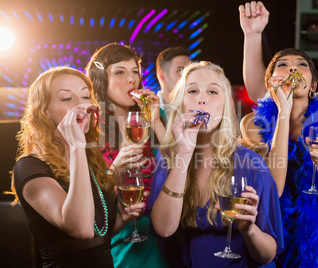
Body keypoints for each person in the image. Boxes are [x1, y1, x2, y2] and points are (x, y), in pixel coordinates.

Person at [146, 61, 284, 268]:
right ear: (181, 103)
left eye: (212, 92)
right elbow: (163, 229)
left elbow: (267, 255)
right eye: (192, 91)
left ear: (225, 104)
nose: (202, 99)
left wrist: (249, 230)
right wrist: (183, 153)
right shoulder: (169, 156)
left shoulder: (251, 164)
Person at [239, 2, 318, 267]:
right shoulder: (254, 125)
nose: (293, 69)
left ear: (314, 85)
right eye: (283, 65)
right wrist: (252, 35)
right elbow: (271, 192)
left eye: (302, 65)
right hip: (264, 238)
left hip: (308, 247)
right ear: (271, 82)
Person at [9, 66, 141, 267]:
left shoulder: (89, 162)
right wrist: (77, 145)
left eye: (86, 97)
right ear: (45, 111)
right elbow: (81, 229)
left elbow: (95, 236)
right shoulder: (29, 167)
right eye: (66, 98)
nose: (82, 106)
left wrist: (120, 219)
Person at [85, 43, 168, 268]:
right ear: (101, 79)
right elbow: (88, 205)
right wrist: (114, 172)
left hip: (162, 232)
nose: (132, 80)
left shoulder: (152, 117)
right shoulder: (88, 131)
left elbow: (180, 162)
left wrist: (156, 121)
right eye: (120, 72)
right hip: (114, 237)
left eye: (135, 72)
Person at [156, 46, 191, 118]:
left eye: (190, 71)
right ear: (163, 77)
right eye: (180, 71)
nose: (188, 76)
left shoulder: (198, 109)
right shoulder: (147, 113)